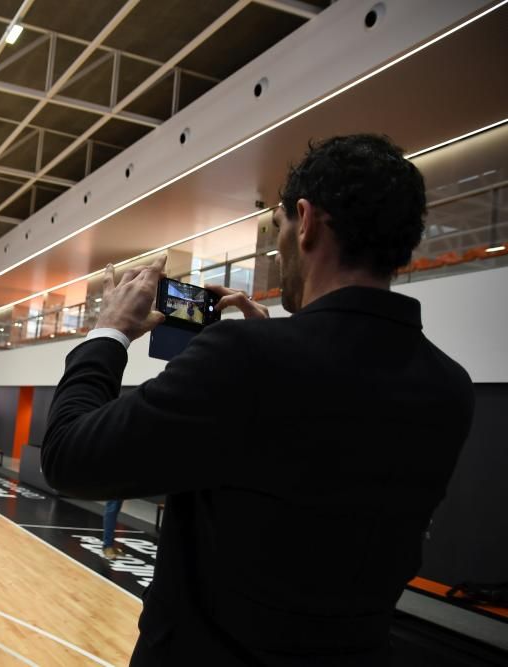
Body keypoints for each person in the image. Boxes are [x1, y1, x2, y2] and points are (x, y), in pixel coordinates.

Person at [40, 135, 474, 666]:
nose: (279, 247)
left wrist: (108, 333)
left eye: (280, 228)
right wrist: (271, 347)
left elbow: (67, 456)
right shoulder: (450, 387)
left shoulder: (248, 358)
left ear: (307, 220)